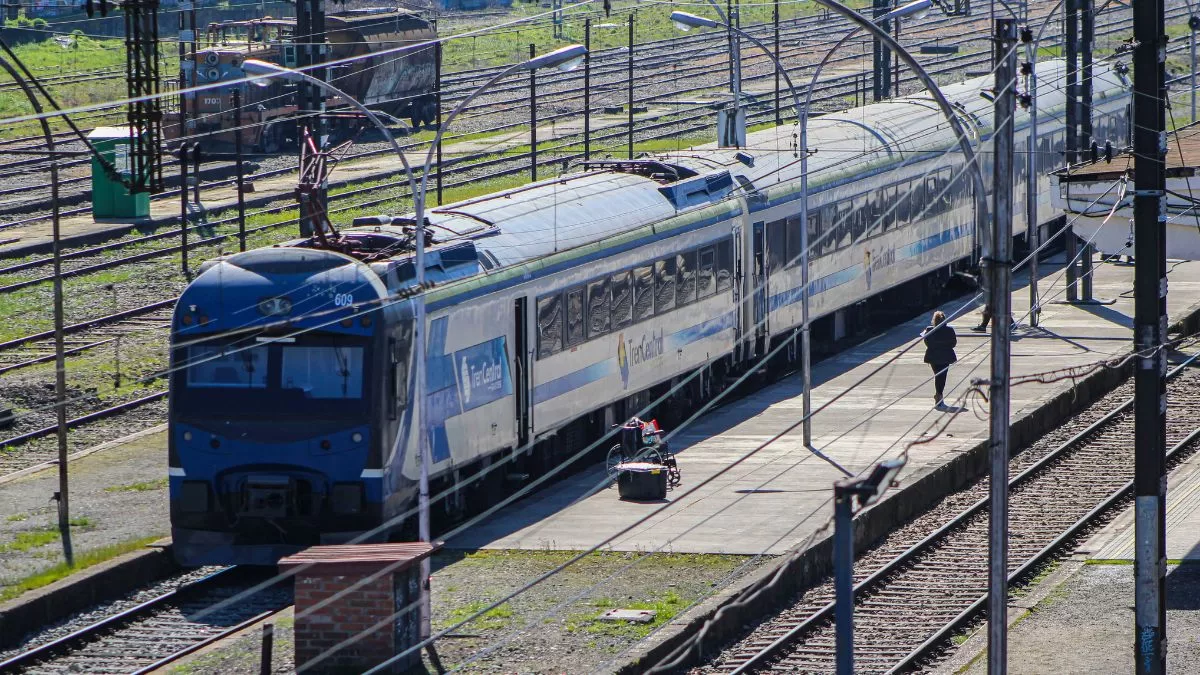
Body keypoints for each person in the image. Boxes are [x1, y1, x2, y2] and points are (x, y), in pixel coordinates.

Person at [922, 310, 957, 408]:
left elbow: (927, 342)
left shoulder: (929, 330)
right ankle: (939, 395)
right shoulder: (950, 330)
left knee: (938, 375)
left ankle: (938, 395)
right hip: (946, 357)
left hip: (933, 357)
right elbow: (953, 343)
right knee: (942, 376)